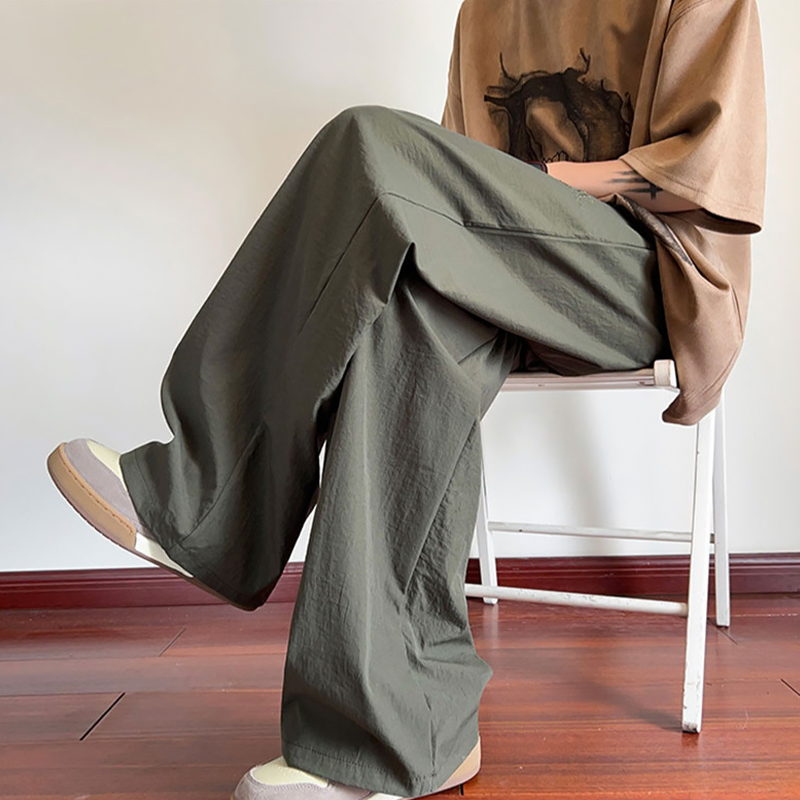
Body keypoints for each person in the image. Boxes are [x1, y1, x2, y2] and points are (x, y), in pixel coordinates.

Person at [46, 1, 766, 799]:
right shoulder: (488, 11)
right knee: (405, 312)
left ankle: (208, 499)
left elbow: (710, 168)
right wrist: (500, 195)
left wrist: (548, 184)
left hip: (651, 280)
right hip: (515, 267)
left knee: (367, 143)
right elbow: (456, 184)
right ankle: (398, 737)